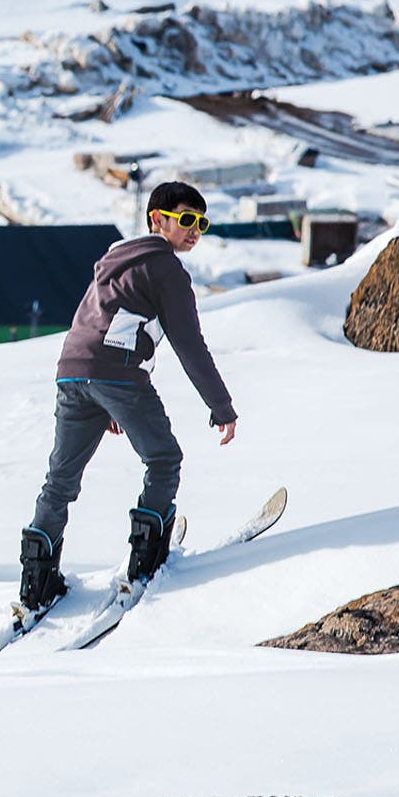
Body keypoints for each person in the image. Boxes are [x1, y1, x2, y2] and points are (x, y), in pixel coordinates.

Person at [22, 181, 238, 613]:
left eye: (202, 223)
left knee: (60, 481)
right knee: (163, 460)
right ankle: (146, 563)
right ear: (157, 219)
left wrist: (101, 399)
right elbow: (189, 345)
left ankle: (36, 585)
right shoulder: (167, 269)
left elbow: (96, 320)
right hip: (114, 375)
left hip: (72, 372)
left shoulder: (113, 260)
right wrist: (221, 407)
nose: (194, 230)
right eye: (186, 220)